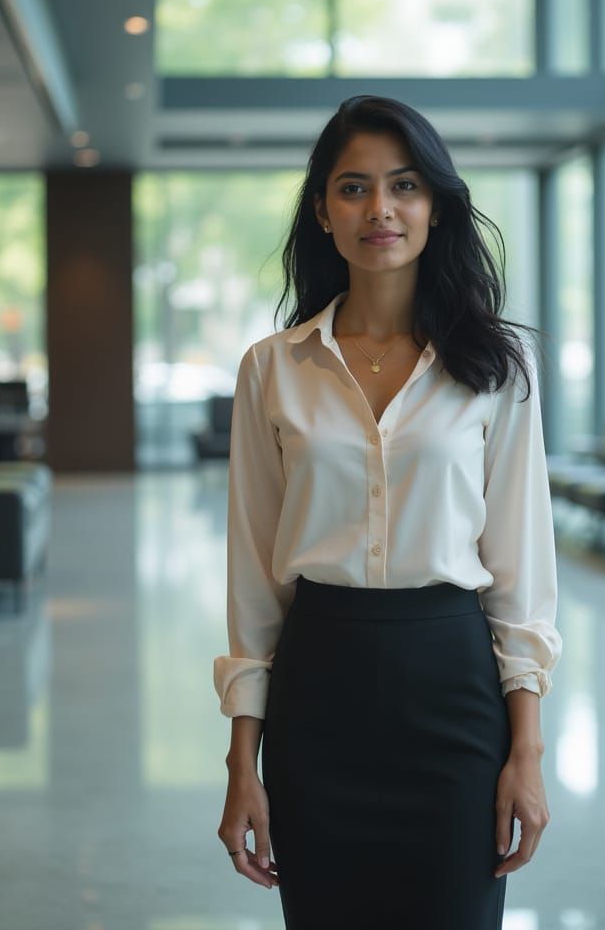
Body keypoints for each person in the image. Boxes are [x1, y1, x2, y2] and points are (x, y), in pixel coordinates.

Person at [213, 95, 562, 930]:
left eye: (404, 185)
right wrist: (241, 764)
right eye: (354, 187)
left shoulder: (497, 367)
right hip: (316, 696)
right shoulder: (272, 369)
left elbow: (521, 574)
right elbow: (254, 584)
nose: (380, 209)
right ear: (322, 212)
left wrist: (527, 752)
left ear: (435, 205)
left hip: (452, 693)